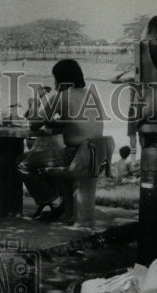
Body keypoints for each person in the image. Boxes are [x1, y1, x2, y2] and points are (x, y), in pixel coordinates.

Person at [19, 58, 104, 220]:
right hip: (95, 153)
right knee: (43, 163)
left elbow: (34, 124)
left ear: (60, 79)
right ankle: (56, 200)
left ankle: (55, 201)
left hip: (75, 154)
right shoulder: (91, 94)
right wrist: (59, 122)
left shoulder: (61, 96)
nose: (54, 82)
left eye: (55, 78)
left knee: (21, 163)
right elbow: (81, 122)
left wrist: (37, 100)